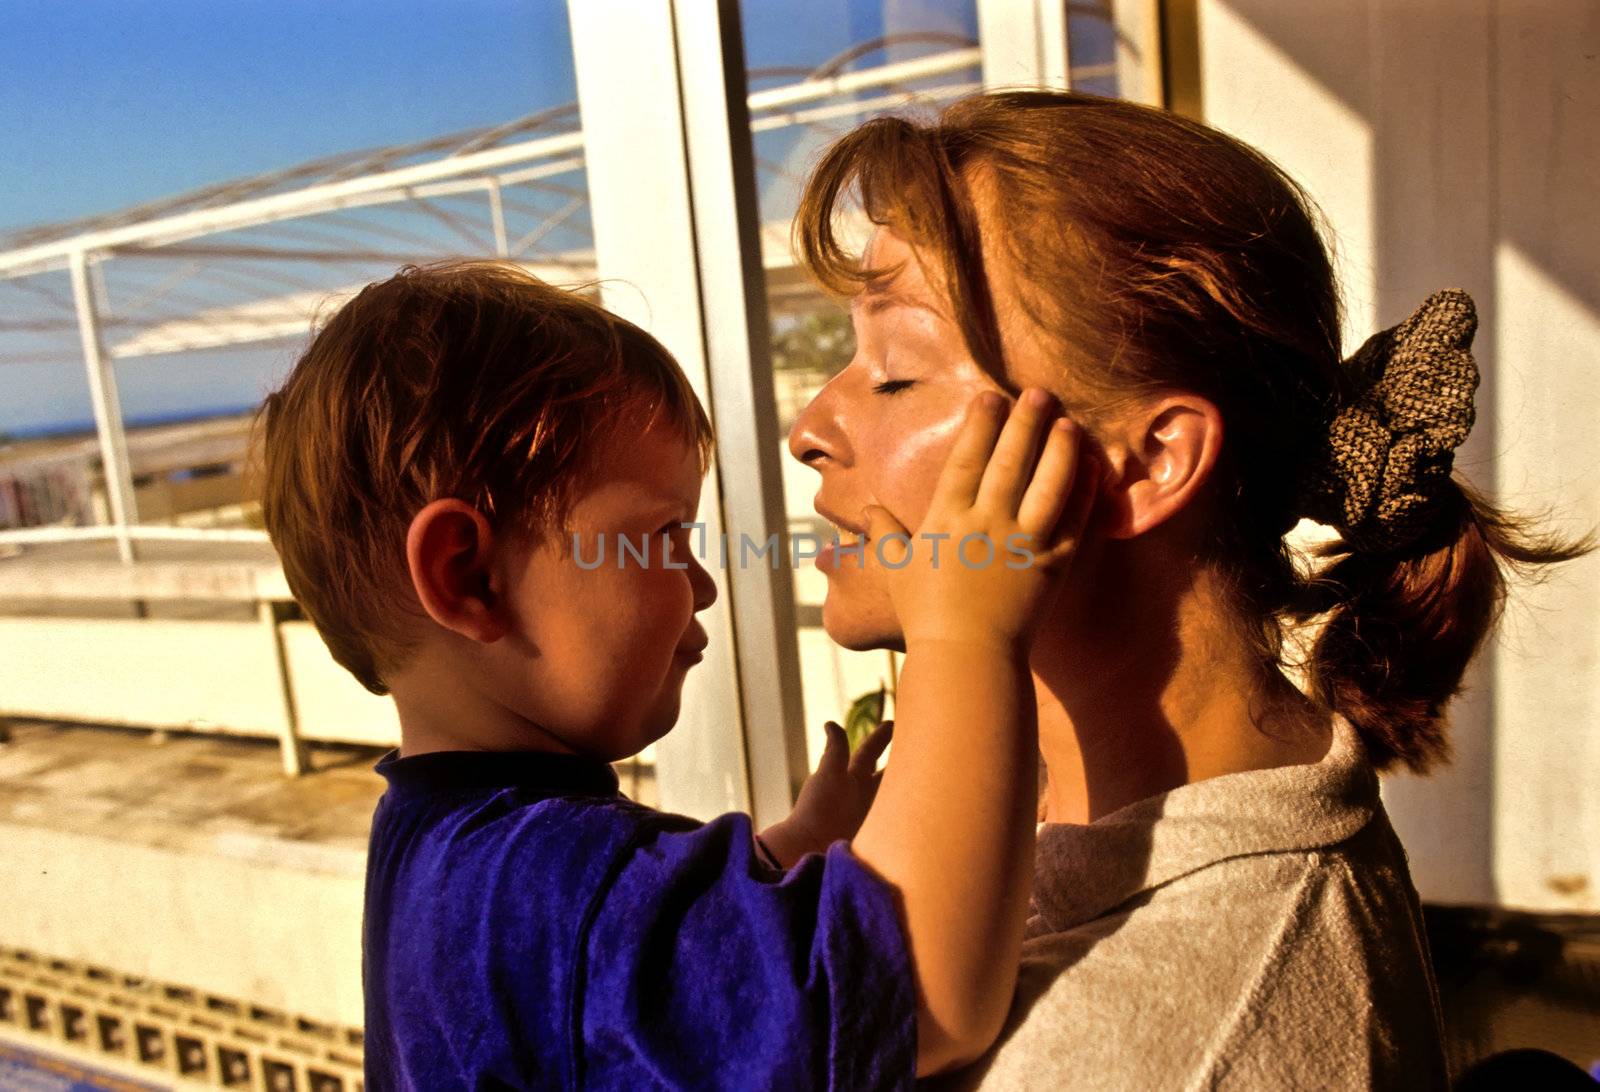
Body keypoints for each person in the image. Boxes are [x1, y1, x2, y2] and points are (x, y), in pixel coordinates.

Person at [786, 90, 1589, 1089]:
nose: (809, 425)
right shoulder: (1041, 825)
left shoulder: (1160, 1047)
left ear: (1147, 462)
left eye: (897, 370)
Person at [253, 259, 1099, 1090]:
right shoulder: (545, 885)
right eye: (661, 539)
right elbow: (914, 995)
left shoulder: (444, 848)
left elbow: (637, 987)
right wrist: (967, 633)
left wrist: (790, 852)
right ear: (468, 576)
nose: (703, 583)